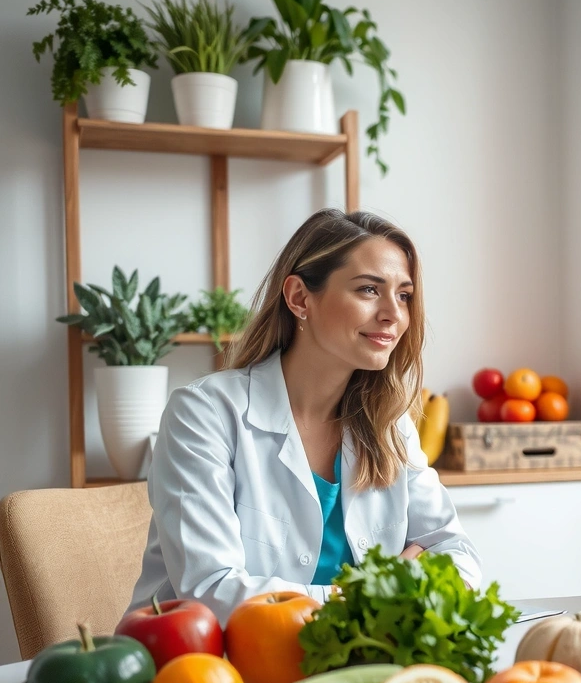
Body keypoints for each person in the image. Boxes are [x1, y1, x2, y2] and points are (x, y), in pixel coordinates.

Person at [129, 209, 482, 622]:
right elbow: (213, 591)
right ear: (299, 298)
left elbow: (458, 556)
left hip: (349, 656)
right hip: (205, 658)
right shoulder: (203, 414)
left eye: (404, 295)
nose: (394, 314)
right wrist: (376, 594)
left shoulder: (390, 424)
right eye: (369, 289)